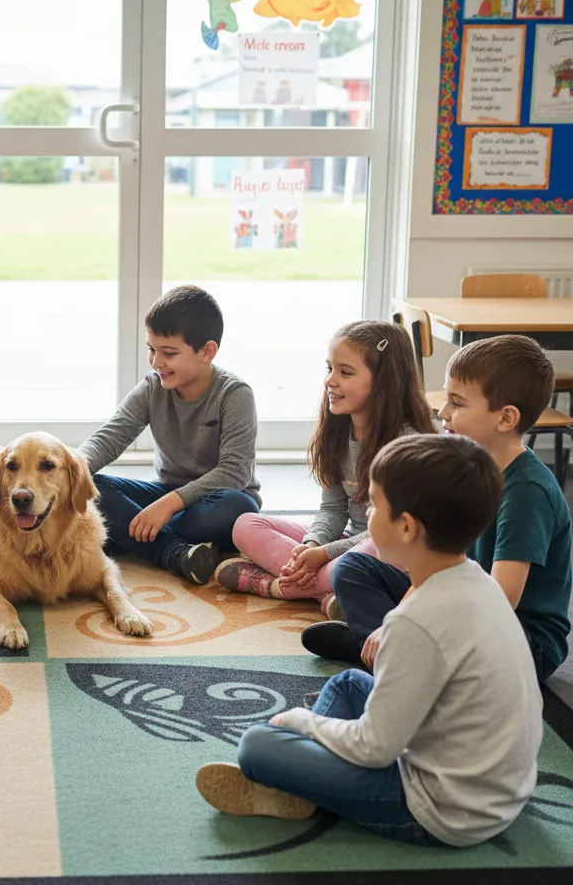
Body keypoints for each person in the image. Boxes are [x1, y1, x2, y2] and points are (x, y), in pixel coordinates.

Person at [196, 434, 542, 848]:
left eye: (375, 504)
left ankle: (297, 785)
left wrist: (301, 722)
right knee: (347, 684)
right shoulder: (479, 584)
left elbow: (374, 749)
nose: (368, 515)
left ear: (408, 527)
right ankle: (306, 778)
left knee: (257, 746)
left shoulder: (415, 622)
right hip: (500, 788)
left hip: (441, 809)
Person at [304, 335, 572, 684]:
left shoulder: (527, 492)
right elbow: (437, 562)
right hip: (464, 605)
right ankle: (394, 650)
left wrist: (405, 623)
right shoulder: (467, 467)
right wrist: (398, 618)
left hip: (519, 639)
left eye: (457, 403)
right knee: (353, 567)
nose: (442, 412)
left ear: (505, 417)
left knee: (440, 649)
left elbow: (500, 599)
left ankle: (390, 655)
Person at [218, 321, 434, 614]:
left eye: (345, 372)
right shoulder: (337, 430)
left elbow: (393, 533)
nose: (330, 381)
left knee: (367, 555)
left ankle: (278, 587)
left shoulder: (409, 443)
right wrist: (312, 545)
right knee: (245, 524)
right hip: (346, 544)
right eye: (329, 368)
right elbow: (333, 509)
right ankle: (326, 593)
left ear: (385, 381)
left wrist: (325, 553)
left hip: (385, 549)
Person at [79, 285, 261, 586]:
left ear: (207, 351)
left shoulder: (235, 394)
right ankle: (174, 552)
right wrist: (71, 471)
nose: (156, 362)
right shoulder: (152, 388)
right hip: (165, 493)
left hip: (215, 500)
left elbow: (235, 472)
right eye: (152, 349)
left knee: (238, 509)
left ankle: (133, 536)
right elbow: (110, 437)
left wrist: (169, 506)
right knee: (90, 487)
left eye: (169, 353)